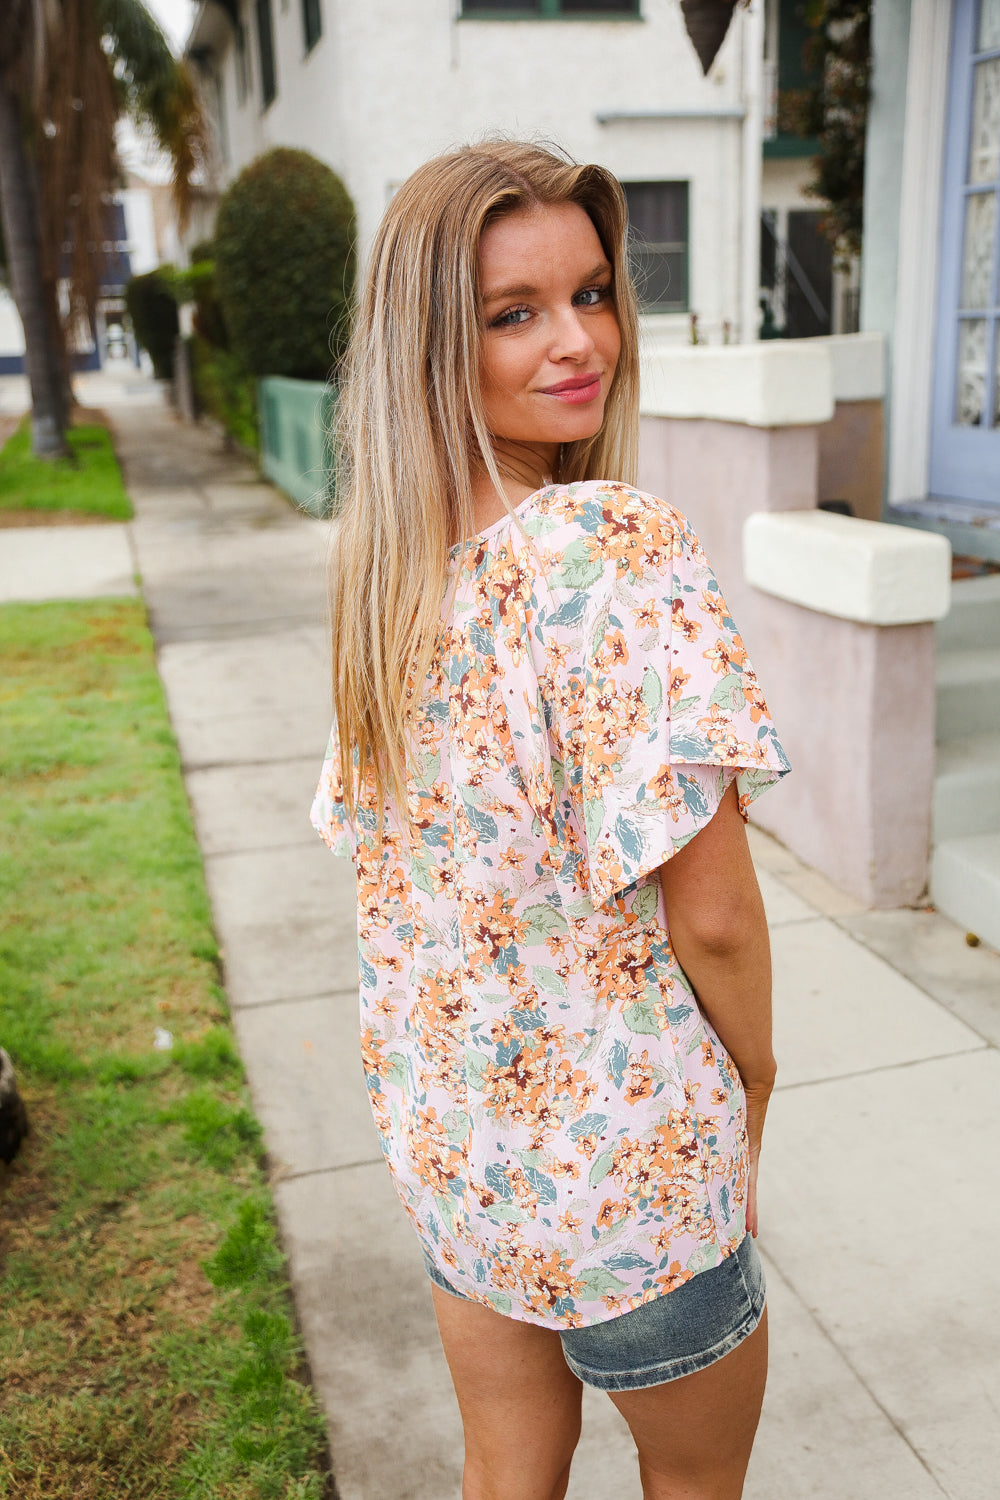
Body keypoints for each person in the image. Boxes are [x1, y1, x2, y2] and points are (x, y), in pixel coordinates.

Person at [312, 140, 790, 1500]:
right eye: (512, 313)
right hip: (635, 1182)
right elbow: (715, 916)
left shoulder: (386, 588)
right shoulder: (607, 547)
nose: (580, 341)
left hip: (465, 1166)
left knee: (500, 1475)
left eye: (592, 292)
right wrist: (755, 1086)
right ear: (428, 344)